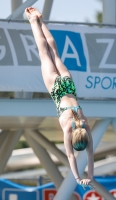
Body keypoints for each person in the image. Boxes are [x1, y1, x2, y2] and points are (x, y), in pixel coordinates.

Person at [25, 7, 94, 189]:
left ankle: (41, 21)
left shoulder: (85, 126)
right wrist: (78, 178)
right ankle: (33, 21)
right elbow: (71, 156)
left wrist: (91, 176)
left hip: (68, 85)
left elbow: (90, 155)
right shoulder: (68, 130)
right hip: (56, 90)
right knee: (44, 53)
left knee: (54, 51)